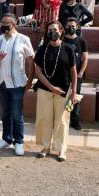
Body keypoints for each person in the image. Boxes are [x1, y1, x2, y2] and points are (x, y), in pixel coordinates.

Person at [0, 13, 35, 156]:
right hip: (2, 83)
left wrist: (29, 81)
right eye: (2, 22)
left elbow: (31, 60)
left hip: (17, 84)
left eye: (6, 23)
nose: (3, 25)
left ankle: (19, 141)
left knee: (17, 114)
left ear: (14, 24)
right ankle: (6, 138)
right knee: (5, 113)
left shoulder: (23, 39)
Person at [33, 21, 78, 162]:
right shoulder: (42, 49)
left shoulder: (68, 49)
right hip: (45, 90)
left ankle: (61, 149)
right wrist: (51, 88)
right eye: (50, 30)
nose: (53, 32)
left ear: (61, 31)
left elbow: (73, 72)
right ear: (47, 33)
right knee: (45, 119)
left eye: (55, 29)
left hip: (64, 90)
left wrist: (74, 92)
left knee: (62, 121)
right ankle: (45, 147)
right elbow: (38, 72)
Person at [62, 18, 88, 131]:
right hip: (63, 74)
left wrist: (81, 72)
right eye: (68, 26)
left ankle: (75, 120)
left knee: (75, 98)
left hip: (77, 75)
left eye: (73, 26)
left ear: (77, 27)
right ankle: (63, 120)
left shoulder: (82, 41)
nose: (71, 28)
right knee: (62, 97)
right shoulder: (61, 40)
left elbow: (85, 58)